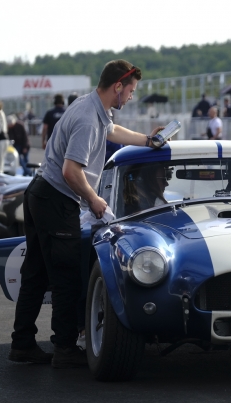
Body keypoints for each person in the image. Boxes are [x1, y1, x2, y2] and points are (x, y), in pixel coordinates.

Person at [9, 59, 163, 367]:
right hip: (56, 197)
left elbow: (113, 130)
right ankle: (65, 348)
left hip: (40, 192)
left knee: (36, 274)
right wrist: (93, 198)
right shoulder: (88, 120)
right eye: (131, 90)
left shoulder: (92, 107)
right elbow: (70, 171)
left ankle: (22, 343)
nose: (132, 96)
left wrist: (147, 140)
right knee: (66, 277)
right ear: (118, 87)